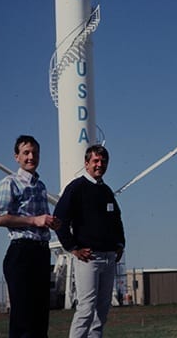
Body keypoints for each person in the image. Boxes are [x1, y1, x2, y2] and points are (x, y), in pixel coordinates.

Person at [54, 144, 125, 338]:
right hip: (89, 258)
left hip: (109, 257)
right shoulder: (76, 188)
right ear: (86, 163)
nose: (99, 164)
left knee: (101, 311)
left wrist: (120, 244)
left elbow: (116, 219)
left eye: (103, 161)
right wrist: (72, 247)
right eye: (95, 161)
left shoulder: (106, 191)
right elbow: (59, 220)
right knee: (86, 309)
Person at [0, 135, 60, 338]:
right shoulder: (9, 183)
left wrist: (50, 223)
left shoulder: (40, 186)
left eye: (35, 153)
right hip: (22, 253)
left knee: (40, 318)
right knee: (23, 319)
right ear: (17, 157)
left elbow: (40, 220)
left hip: (41, 253)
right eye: (26, 153)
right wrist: (34, 221)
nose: (31, 157)